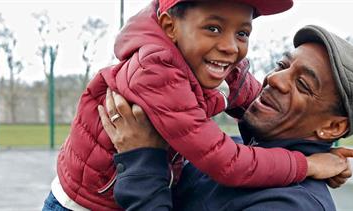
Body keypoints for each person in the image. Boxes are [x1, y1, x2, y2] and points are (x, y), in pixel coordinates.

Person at [43, 1, 349, 210]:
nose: (276, 80)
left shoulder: (289, 204)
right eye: (282, 64)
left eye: (303, 85)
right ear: (170, 26)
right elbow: (230, 148)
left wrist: (142, 160)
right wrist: (309, 162)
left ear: (333, 127)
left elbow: (241, 94)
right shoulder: (160, 72)